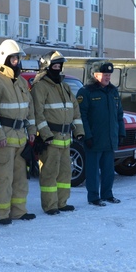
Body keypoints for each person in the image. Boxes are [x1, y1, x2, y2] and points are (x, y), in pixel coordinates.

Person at [0, 39, 37, 225]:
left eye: (19, 58)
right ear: (4, 58)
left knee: (20, 178)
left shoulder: (21, 82)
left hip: (20, 138)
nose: (17, 61)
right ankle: (0, 215)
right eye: (14, 57)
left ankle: (18, 212)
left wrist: (31, 130)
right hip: (4, 138)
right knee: (1, 178)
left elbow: (29, 109)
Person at [30, 51, 85, 214]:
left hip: (66, 139)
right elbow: (37, 113)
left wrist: (79, 131)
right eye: (54, 66)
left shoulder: (65, 86)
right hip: (51, 140)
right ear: (46, 67)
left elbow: (75, 110)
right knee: (49, 173)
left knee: (64, 173)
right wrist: (45, 135)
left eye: (60, 66)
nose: (58, 69)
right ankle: (50, 205)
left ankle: (62, 202)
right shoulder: (40, 87)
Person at [77, 61, 125, 206]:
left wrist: (121, 133)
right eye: (105, 75)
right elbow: (81, 116)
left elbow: (119, 114)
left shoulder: (113, 91)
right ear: (95, 75)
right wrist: (87, 136)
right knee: (92, 171)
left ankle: (107, 194)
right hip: (94, 139)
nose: (108, 77)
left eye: (109, 75)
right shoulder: (86, 92)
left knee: (109, 170)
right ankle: (93, 197)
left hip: (109, 139)